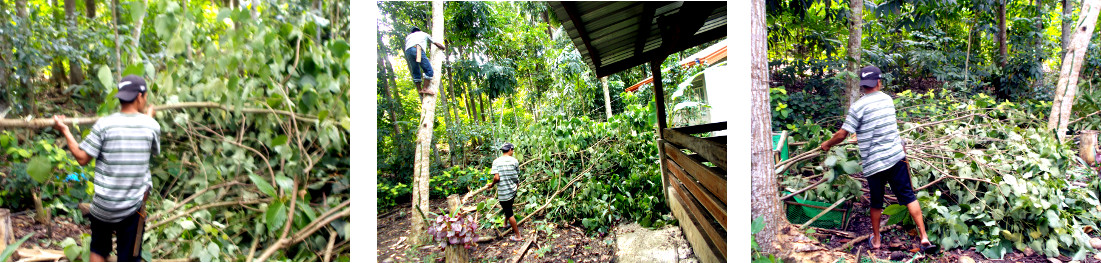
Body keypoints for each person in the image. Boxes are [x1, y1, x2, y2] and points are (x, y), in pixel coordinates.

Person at [818, 66, 935, 253]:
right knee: (908, 196)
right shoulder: (888, 99)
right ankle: (924, 237)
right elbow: (880, 124)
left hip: (874, 164)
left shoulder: (857, 107)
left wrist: (827, 144)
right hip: (896, 156)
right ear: (879, 82)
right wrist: (859, 135)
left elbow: (841, 135)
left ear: (863, 85)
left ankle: (878, 240)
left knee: (876, 202)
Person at [53, 75, 160, 262]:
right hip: (132, 207)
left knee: (98, 250)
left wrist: (65, 130)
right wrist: (149, 117)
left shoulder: (104, 124)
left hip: (103, 206)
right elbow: (150, 145)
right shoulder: (151, 126)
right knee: (129, 257)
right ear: (140, 97)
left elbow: (81, 158)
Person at [489, 142, 523, 241]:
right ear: (510, 150)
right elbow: (516, 175)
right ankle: (505, 224)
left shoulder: (496, 162)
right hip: (513, 189)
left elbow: (496, 177)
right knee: (508, 208)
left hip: (504, 192)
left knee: (509, 212)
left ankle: (518, 236)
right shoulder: (514, 161)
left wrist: (491, 184)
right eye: (512, 150)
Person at [404, 26, 445, 95]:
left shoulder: (408, 37)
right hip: (417, 49)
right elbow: (435, 42)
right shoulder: (423, 34)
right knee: (429, 70)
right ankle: (425, 89)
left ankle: (419, 90)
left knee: (416, 71)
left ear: (412, 32)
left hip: (408, 52)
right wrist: (442, 47)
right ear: (419, 30)